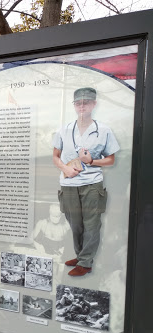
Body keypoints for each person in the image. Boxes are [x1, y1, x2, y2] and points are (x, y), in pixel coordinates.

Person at [53, 87, 119, 276]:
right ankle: (80, 255)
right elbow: (55, 157)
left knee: (91, 223)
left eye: (86, 102)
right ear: (74, 105)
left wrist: (92, 161)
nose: (82, 106)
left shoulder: (104, 130)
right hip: (68, 184)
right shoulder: (64, 129)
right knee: (74, 223)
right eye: (79, 103)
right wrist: (65, 168)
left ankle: (86, 262)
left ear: (94, 104)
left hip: (91, 183)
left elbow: (111, 159)